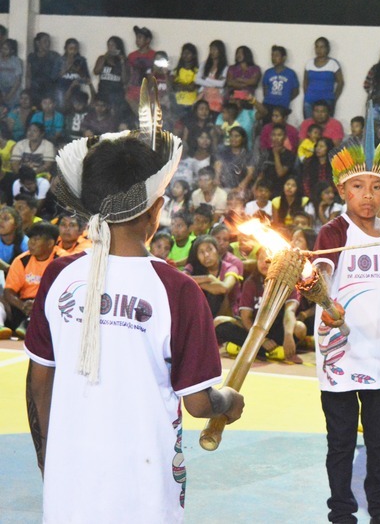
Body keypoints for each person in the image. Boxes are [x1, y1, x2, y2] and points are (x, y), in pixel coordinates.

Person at [24, 129, 243, 521]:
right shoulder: (178, 290)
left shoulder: (58, 276)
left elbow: (39, 383)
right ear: (155, 209)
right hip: (146, 491)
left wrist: (47, 460)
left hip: (68, 486)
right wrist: (227, 401)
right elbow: (198, 404)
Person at [313, 134, 380, 523]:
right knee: (340, 443)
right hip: (340, 356)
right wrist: (324, 300)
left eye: (377, 187)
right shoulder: (333, 234)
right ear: (342, 189)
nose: (368, 195)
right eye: (358, 187)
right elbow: (320, 277)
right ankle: (341, 513)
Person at [4, 222, 63, 338]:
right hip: (24, 305)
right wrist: (23, 306)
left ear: (50, 243)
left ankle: (28, 325)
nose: (31, 243)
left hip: (49, 302)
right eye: (30, 239)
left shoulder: (62, 261)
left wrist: (38, 305)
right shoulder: (21, 260)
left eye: (36, 239)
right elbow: (9, 291)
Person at [303, 37, 344, 118]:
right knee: (309, 126)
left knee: (326, 127)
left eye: (322, 47)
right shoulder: (309, 63)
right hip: (309, 100)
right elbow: (305, 81)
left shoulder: (333, 64)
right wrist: (307, 95)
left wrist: (334, 98)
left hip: (327, 100)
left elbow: (340, 82)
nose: (319, 50)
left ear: (327, 48)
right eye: (317, 47)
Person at [93, 36, 128, 119]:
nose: (110, 48)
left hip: (116, 93)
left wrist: (122, 63)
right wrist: (105, 57)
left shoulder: (123, 61)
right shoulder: (102, 58)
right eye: (109, 45)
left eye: (113, 45)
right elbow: (96, 71)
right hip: (102, 92)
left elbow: (125, 80)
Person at [125, 26, 156, 115]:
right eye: (137, 38)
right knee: (129, 98)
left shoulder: (154, 55)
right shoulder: (132, 55)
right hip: (134, 87)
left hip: (148, 88)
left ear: (148, 40)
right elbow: (129, 72)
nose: (137, 40)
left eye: (140, 38)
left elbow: (155, 73)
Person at [261, 45, 299, 114]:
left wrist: (285, 99)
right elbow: (265, 90)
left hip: (282, 106)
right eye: (272, 55)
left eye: (277, 55)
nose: (273, 58)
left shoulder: (290, 73)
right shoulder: (268, 72)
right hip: (268, 105)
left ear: (284, 58)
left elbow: (295, 91)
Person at [26, 32, 59, 107]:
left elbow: (57, 74)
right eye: (45, 41)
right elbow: (28, 74)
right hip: (35, 89)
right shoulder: (32, 56)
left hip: (49, 89)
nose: (48, 44)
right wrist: (28, 88)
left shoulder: (54, 56)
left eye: (49, 41)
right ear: (38, 43)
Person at [196, 40, 229, 115]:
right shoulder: (204, 64)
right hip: (204, 97)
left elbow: (221, 84)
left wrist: (205, 79)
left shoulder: (225, 67)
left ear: (220, 51)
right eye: (211, 49)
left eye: (214, 49)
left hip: (217, 99)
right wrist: (214, 83)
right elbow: (197, 80)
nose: (212, 52)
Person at [0, 38, 23, 107]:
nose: (3, 51)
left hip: (14, 92)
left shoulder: (16, 61)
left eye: (6, 49)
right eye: (2, 48)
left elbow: (18, 80)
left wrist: (9, 95)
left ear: (12, 51)